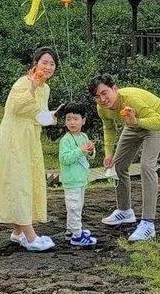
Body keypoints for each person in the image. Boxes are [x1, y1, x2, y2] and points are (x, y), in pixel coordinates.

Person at [0, 47, 64, 252]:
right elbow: (16, 107)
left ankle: (18, 232)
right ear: (35, 63)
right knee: (19, 182)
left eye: (52, 64)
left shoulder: (46, 88)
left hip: (30, 138)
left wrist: (55, 115)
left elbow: (39, 114)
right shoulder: (23, 82)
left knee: (28, 180)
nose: (48, 67)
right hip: (14, 138)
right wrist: (33, 88)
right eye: (44, 62)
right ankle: (30, 235)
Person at [88, 73, 160, 242]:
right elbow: (109, 128)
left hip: (154, 123)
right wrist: (108, 153)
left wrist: (136, 121)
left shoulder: (131, 100)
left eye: (104, 93)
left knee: (147, 166)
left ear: (115, 88)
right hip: (132, 123)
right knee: (117, 166)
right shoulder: (102, 108)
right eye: (97, 96)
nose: (102, 99)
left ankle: (148, 223)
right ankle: (125, 211)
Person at [58, 102, 98, 247]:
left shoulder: (84, 136)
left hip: (81, 179)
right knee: (73, 206)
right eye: (68, 119)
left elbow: (89, 156)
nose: (72, 122)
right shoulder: (65, 140)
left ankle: (71, 230)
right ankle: (77, 235)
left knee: (78, 206)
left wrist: (90, 150)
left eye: (75, 119)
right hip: (71, 180)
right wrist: (80, 150)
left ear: (83, 120)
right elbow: (65, 159)